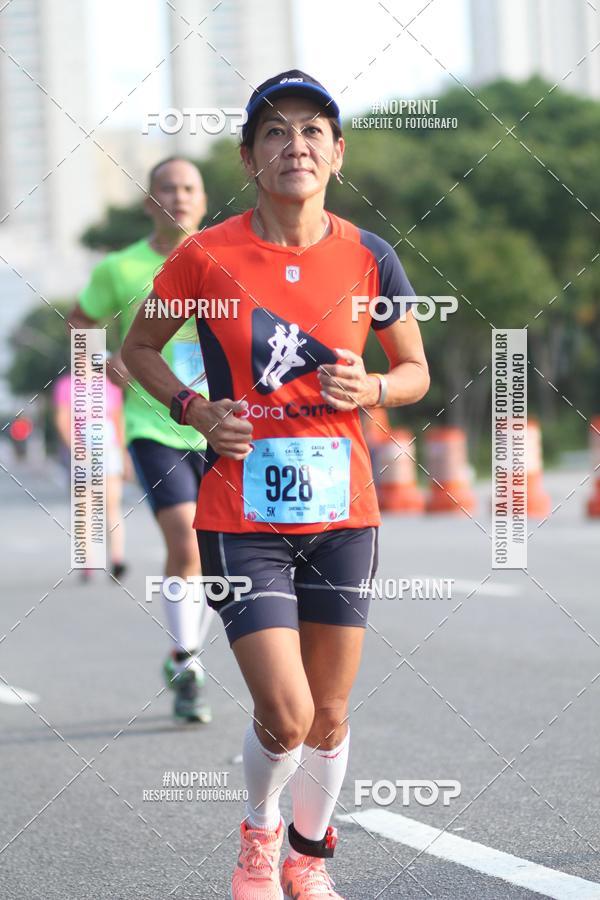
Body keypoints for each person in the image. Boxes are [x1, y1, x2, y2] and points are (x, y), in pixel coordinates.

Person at [122, 71, 429, 900]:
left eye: (312, 131)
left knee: (329, 714)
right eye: (275, 133)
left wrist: (372, 389)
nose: (295, 145)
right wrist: (192, 407)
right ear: (250, 158)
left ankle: (308, 855)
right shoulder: (205, 254)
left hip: (345, 511)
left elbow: (413, 372)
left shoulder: (371, 255)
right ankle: (259, 837)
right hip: (240, 511)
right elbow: (136, 351)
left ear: (337, 152)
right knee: (286, 713)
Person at [67, 158, 214, 723]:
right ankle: (187, 662)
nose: (178, 197)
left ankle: (187, 649)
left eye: (188, 188)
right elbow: (82, 322)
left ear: (203, 200)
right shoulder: (122, 268)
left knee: (217, 555)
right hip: (155, 424)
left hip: (223, 422)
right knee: (186, 539)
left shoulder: (226, 258)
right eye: (167, 189)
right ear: (150, 202)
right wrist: (104, 361)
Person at [53, 369, 128, 581]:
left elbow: (118, 420)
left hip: (108, 452)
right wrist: (77, 450)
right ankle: (88, 561)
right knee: (84, 508)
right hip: (81, 453)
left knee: (112, 506)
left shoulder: (110, 384)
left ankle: (117, 559)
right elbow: (62, 420)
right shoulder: (66, 385)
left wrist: (123, 454)